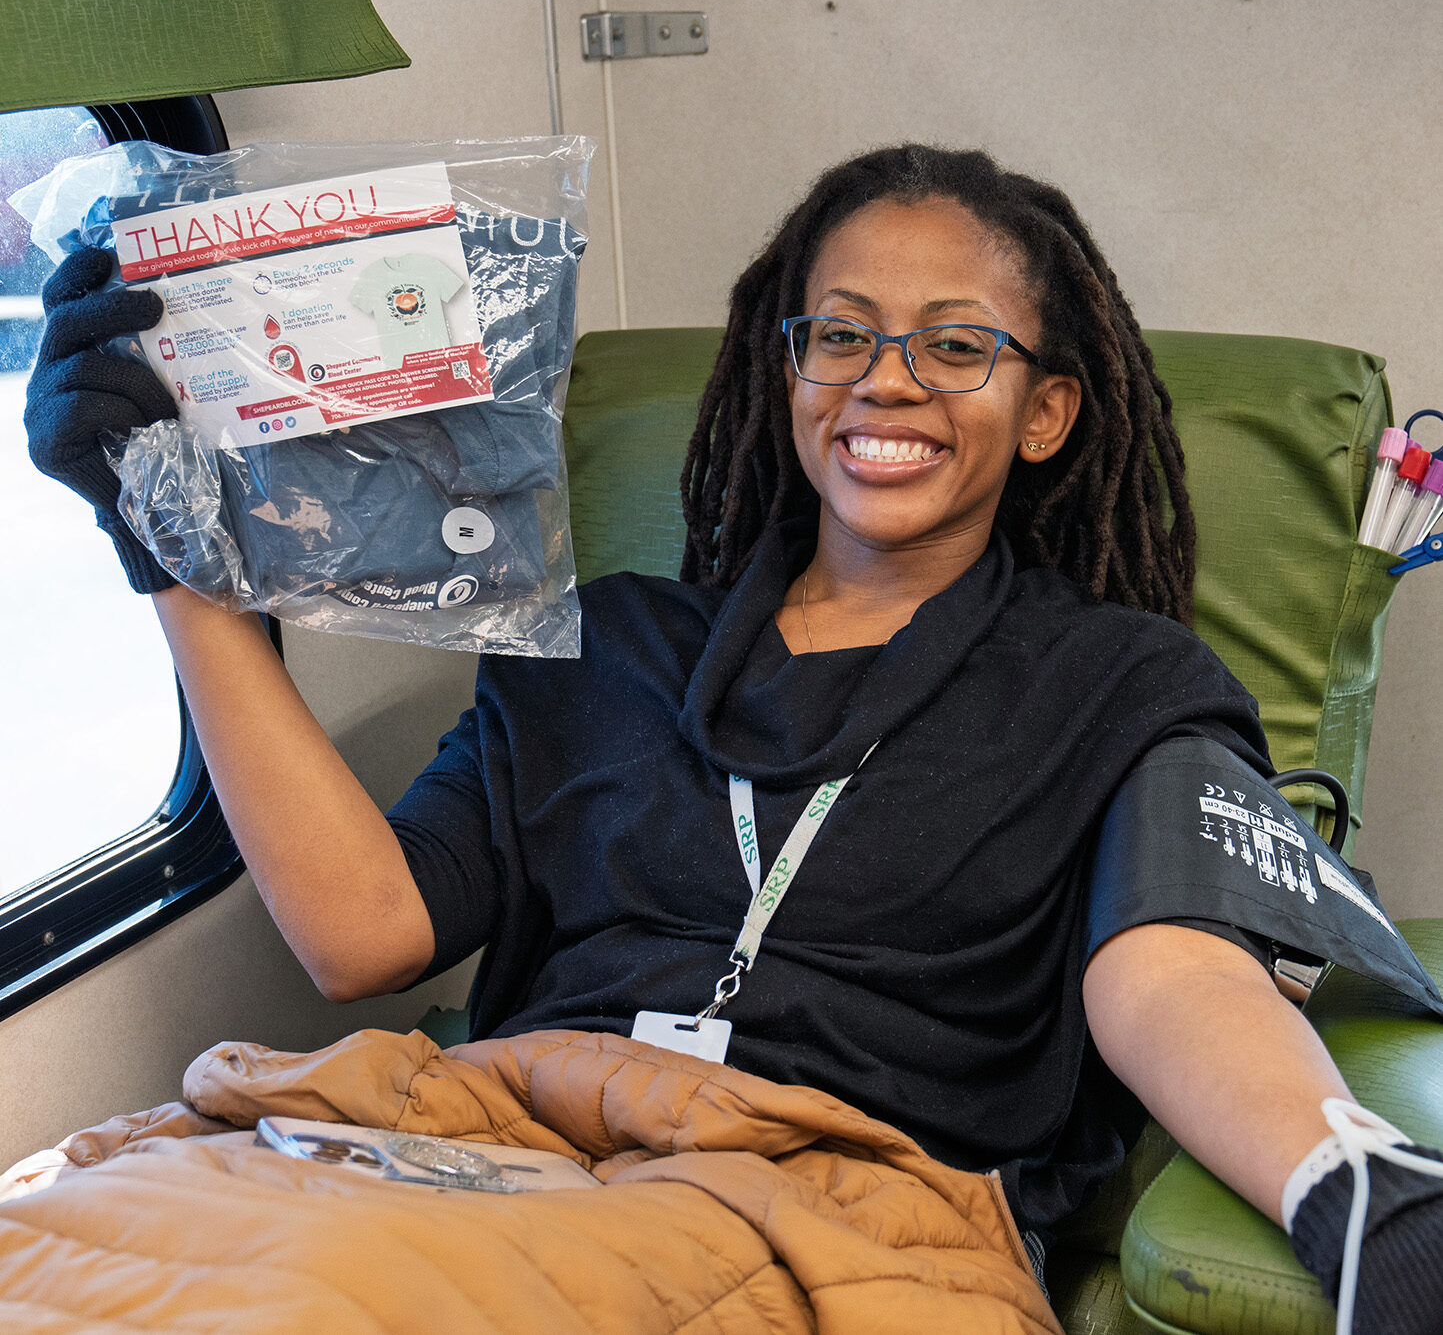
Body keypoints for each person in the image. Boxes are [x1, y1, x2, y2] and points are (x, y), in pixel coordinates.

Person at [23, 143, 1443, 1331]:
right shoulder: (606, 644)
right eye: (842, 334)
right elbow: (364, 939)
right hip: (485, 1142)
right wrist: (171, 562)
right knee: (73, 1248)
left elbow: (1174, 969)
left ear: (1047, 412)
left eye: (958, 345)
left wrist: (1357, 1191)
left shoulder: (1119, 683)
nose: (886, 381)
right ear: (790, 369)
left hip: (827, 1199)